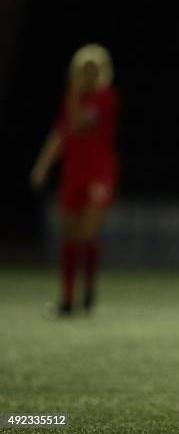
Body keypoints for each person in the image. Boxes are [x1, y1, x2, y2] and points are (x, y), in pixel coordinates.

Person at [30, 43, 120, 316]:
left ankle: (88, 293)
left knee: (87, 234)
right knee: (68, 235)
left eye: (93, 69)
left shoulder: (106, 98)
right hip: (73, 172)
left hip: (99, 173)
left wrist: (74, 93)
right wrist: (42, 166)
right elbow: (61, 133)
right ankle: (68, 299)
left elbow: (80, 122)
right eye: (83, 69)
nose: (88, 75)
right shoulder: (74, 100)